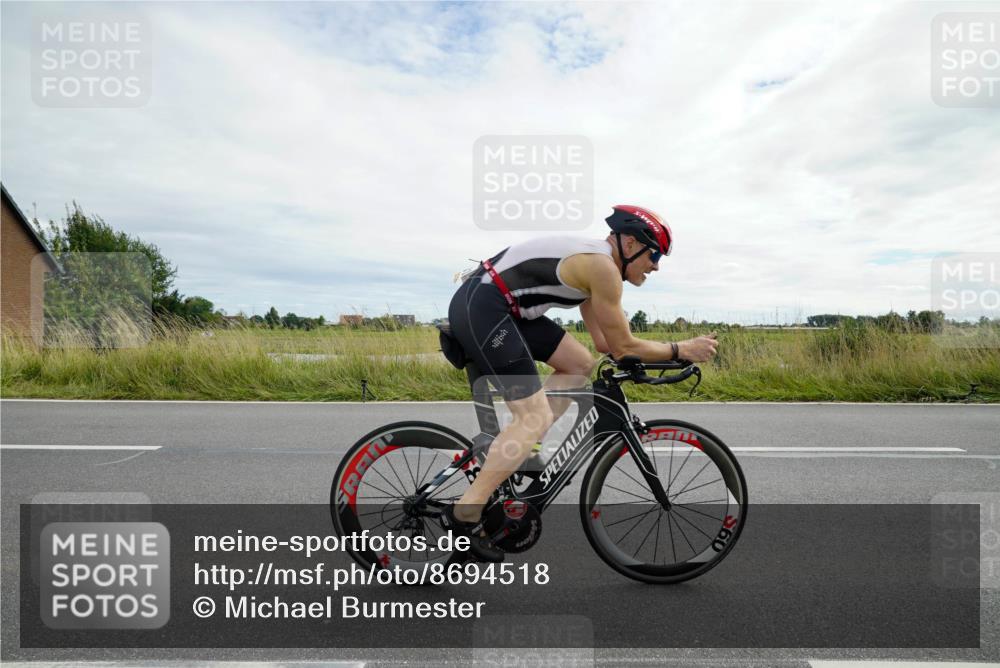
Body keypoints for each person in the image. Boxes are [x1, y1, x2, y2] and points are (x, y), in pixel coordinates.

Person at [444, 205, 719, 561]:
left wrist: (669, 356)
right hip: (484, 304)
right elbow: (623, 345)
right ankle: (465, 512)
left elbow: (606, 346)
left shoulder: (601, 268)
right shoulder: (602, 267)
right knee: (535, 416)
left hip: (504, 307)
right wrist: (683, 348)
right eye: (654, 254)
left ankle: (519, 443)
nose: (656, 265)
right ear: (631, 243)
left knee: (579, 362)